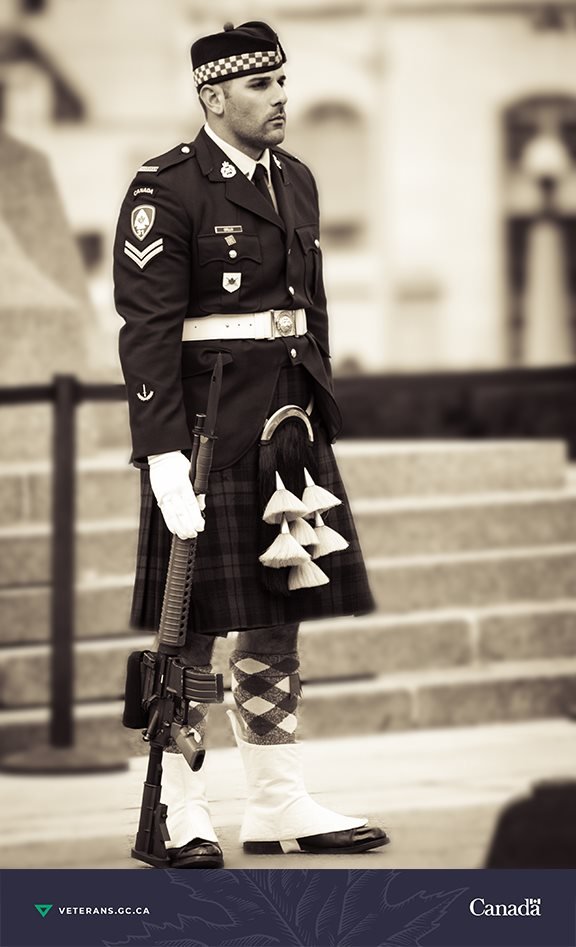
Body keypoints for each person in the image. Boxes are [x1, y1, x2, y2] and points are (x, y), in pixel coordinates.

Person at [113, 20, 388, 869]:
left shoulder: (296, 179)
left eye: (282, 81)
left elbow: (310, 306)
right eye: (261, 86)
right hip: (206, 432)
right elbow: (147, 329)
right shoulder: (167, 189)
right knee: (190, 628)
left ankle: (277, 803)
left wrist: (320, 404)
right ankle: (186, 808)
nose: (280, 98)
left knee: (277, 622)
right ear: (213, 97)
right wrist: (159, 452)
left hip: (288, 428)